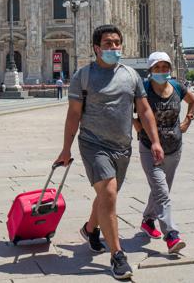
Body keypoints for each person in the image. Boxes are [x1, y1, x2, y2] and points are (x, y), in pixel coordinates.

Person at [56, 24, 163, 280]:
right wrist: (65, 149)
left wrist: (155, 141)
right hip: (93, 144)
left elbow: (145, 111)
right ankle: (117, 256)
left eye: (117, 43)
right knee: (110, 192)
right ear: (96, 48)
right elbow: (73, 115)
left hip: (122, 146)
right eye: (108, 44)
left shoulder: (131, 75)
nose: (114, 47)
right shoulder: (83, 76)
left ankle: (90, 229)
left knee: (107, 196)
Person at [136, 52, 194, 254]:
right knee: (162, 193)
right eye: (157, 68)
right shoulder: (143, 89)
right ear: (150, 70)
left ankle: (147, 220)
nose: (162, 71)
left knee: (162, 190)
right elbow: (129, 111)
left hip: (174, 148)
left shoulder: (177, 87)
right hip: (150, 149)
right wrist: (139, 129)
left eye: (165, 67)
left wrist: (188, 120)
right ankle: (172, 235)